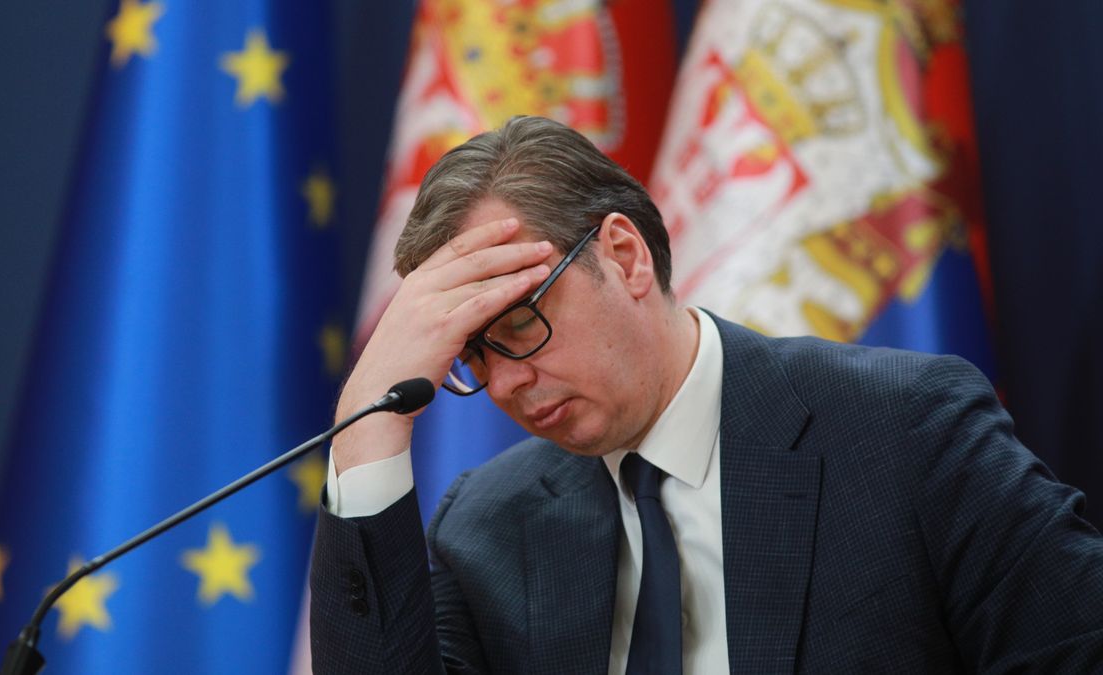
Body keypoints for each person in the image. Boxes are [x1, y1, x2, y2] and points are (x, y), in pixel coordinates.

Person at [309, 116, 1103, 674]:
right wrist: (364, 430)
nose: (507, 382)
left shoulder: (906, 434)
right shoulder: (486, 526)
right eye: (473, 355)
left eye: (520, 324)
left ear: (623, 257)